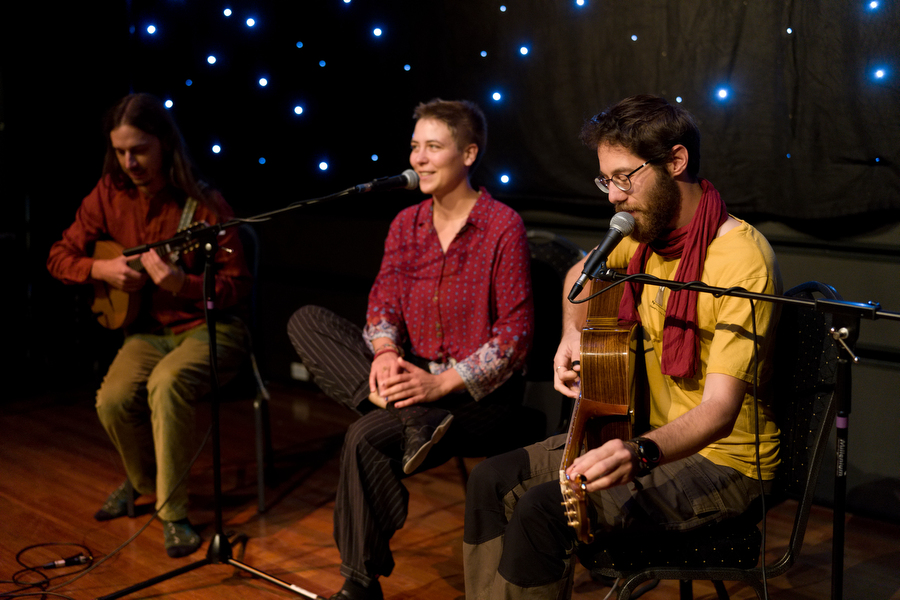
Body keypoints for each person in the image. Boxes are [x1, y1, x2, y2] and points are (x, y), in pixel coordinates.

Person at [462, 94, 782, 599]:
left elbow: (720, 411)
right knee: (490, 480)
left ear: (675, 161)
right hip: (644, 434)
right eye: (605, 180)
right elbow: (580, 272)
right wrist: (572, 333)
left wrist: (639, 451)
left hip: (725, 462)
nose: (613, 195)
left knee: (543, 509)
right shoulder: (647, 235)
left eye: (623, 177)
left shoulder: (741, 259)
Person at [287, 98, 534, 600]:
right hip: (413, 379)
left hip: (474, 396)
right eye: (415, 146)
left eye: (433, 147)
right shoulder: (406, 224)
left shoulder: (501, 225)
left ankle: (359, 583)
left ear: (468, 154)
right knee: (306, 320)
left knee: (364, 436)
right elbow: (383, 303)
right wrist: (383, 354)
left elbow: (515, 337)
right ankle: (410, 415)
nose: (418, 158)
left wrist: (440, 385)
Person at [47, 93, 252, 558]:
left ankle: (172, 514)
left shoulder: (203, 204)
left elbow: (238, 287)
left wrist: (184, 284)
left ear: (164, 143)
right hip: (148, 331)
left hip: (211, 328)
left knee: (167, 383)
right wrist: (99, 269)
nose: (129, 162)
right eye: (120, 151)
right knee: (113, 400)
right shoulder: (109, 193)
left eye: (138, 150)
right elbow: (58, 256)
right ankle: (145, 482)